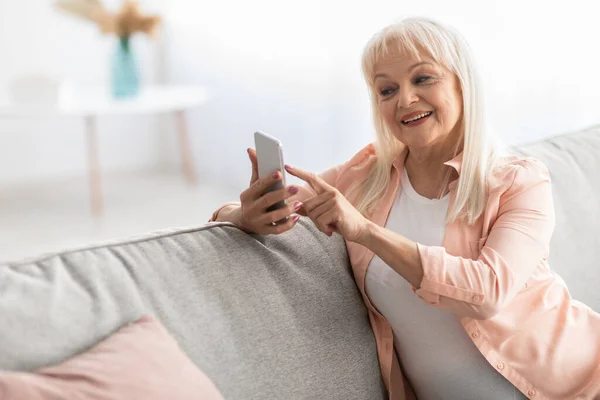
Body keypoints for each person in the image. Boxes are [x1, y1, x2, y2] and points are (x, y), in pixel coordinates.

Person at [210, 17, 600, 400]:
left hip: (575, 384)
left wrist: (365, 231)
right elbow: (258, 208)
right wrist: (244, 215)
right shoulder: (365, 175)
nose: (405, 99)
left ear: (462, 84)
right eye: (387, 90)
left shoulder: (520, 181)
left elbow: (487, 292)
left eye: (422, 78)